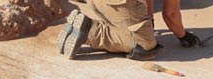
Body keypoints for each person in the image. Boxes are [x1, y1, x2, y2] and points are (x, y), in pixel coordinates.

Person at [57, 0, 203, 60]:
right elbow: (170, 15)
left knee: (135, 25)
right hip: (119, 4)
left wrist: (148, 21)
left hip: (97, 3)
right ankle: (91, 31)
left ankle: (94, 26)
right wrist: (184, 36)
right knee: (145, 46)